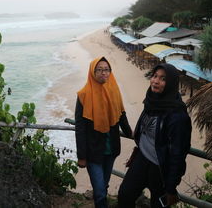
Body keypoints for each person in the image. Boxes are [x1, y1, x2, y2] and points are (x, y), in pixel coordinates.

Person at [118, 63, 192, 208]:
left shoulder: (178, 116)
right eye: (155, 76)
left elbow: (178, 154)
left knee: (157, 205)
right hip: (142, 158)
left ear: (171, 84)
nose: (156, 81)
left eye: (163, 79)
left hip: (160, 168)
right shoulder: (152, 99)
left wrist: (171, 187)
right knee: (124, 195)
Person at [75, 56, 133, 208]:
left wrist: (130, 133)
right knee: (100, 191)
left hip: (111, 148)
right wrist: (81, 156)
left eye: (106, 70)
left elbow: (121, 114)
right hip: (93, 151)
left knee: (104, 185)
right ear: (92, 72)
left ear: (110, 72)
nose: (103, 73)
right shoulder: (83, 94)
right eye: (99, 70)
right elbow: (80, 128)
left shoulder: (114, 90)